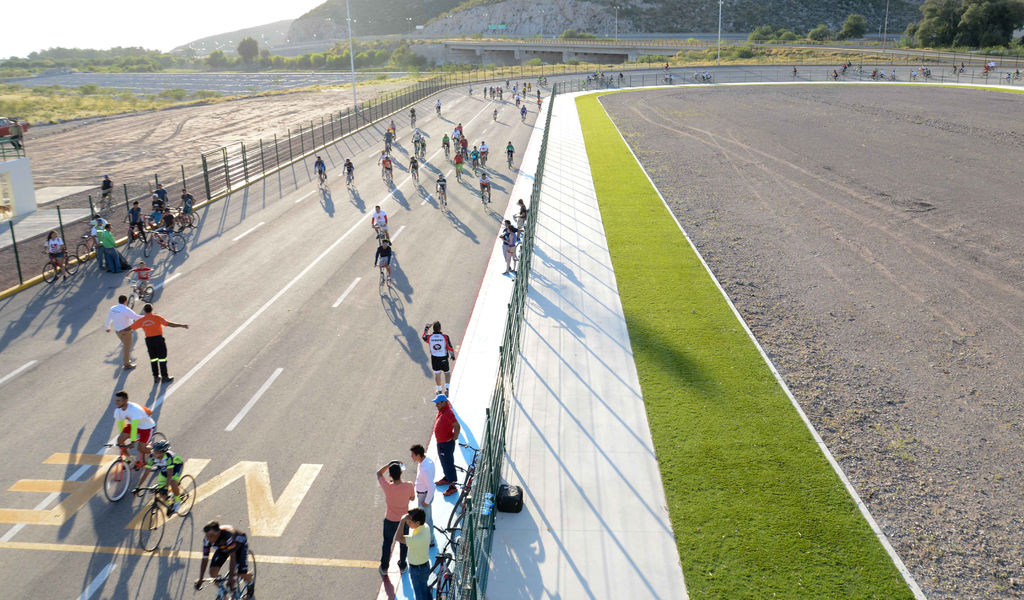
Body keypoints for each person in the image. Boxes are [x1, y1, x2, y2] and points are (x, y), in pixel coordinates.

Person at [130, 303, 188, 384]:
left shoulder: (141, 320)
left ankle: (156, 377)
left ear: (144, 311)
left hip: (149, 341)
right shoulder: (157, 318)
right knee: (162, 358)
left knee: (153, 359)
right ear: (152, 309)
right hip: (158, 340)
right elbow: (169, 324)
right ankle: (164, 377)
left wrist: (121, 331)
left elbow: (130, 328)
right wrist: (181, 325)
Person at [195, 521, 254, 597]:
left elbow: (233, 558)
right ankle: (224, 593)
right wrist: (200, 579)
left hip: (239, 546)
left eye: (211, 536)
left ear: (218, 533)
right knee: (213, 573)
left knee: (241, 573)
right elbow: (205, 559)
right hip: (223, 548)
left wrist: (231, 579)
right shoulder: (207, 539)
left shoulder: (228, 536)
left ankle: (250, 583)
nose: (209, 539)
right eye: (207, 536)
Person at [376, 461, 415, 577]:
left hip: (389, 520)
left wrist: (389, 464)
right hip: (404, 521)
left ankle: (384, 567)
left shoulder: (388, 487)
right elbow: (412, 498)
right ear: (401, 473)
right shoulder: (409, 485)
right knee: (403, 543)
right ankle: (402, 565)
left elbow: (379, 474)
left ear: (390, 475)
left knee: (387, 544)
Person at [135, 439, 185, 515]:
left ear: (162, 452)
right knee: (161, 493)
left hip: (176, 468)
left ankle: (178, 502)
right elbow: (146, 472)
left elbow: (170, 473)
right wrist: (138, 487)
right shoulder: (151, 457)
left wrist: (166, 487)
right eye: (154, 450)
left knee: (173, 482)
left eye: (156, 452)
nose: (154, 453)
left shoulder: (168, 457)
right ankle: (170, 503)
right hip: (164, 471)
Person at [393, 508, 431, 599]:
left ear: (417, 523)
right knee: (424, 590)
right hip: (422, 567)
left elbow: (397, 537)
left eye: (409, 521)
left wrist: (402, 521)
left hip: (418, 570)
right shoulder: (425, 526)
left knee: (420, 595)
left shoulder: (418, 538)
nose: (407, 523)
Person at [112, 390, 156, 468]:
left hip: (146, 427)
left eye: (119, 401)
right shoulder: (118, 410)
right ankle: (129, 459)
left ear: (125, 400)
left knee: (141, 448)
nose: (116, 403)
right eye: (116, 400)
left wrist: (132, 441)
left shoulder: (134, 409)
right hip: (134, 425)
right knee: (120, 440)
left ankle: (157, 452)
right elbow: (121, 425)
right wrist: (121, 438)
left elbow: (135, 426)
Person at [432, 394, 460, 497]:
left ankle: (453, 486)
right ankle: (447, 478)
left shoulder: (448, 413)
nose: (436, 405)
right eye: (436, 403)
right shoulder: (442, 410)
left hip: (446, 443)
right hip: (441, 443)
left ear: (444, 402)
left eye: (438, 403)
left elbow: (457, 425)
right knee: (444, 461)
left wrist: (455, 437)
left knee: (448, 463)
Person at [409, 445, 436, 548]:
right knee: (427, 517)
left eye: (413, 455)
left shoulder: (425, 469)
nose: (411, 457)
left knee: (427, 519)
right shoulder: (426, 461)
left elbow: (431, 486)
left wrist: (427, 500)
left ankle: (430, 540)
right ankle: (429, 538)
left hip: (424, 496)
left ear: (418, 455)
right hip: (423, 495)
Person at [105, 294, 141, 369]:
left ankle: (126, 361)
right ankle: (127, 364)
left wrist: (107, 327)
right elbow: (136, 317)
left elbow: (109, 319)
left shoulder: (113, 308)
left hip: (118, 331)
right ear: (125, 301)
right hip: (126, 331)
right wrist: (148, 316)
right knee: (127, 347)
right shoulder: (126, 309)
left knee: (125, 345)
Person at [422, 321, 456, 395]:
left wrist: (426, 328)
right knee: (447, 373)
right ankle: (447, 389)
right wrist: (452, 355)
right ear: (440, 328)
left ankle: (439, 390)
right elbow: (449, 347)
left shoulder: (430, 337)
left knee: (437, 374)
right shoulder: (445, 337)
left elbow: (424, 336)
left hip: (434, 358)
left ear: (433, 329)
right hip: (443, 357)